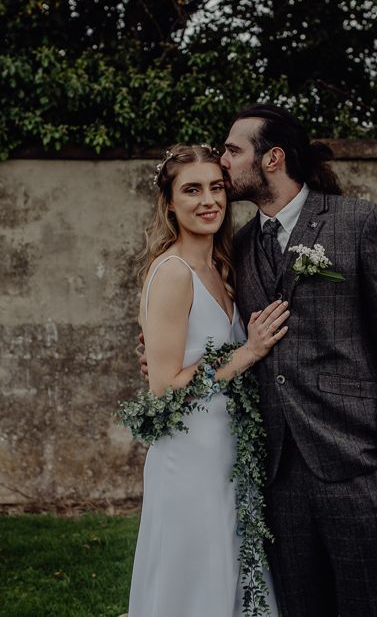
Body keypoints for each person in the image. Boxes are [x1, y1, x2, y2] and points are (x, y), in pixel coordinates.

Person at [221, 104, 377, 616]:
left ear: (272, 158)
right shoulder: (239, 246)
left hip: (358, 467)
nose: (222, 161)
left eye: (232, 150)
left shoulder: (360, 223)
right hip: (281, 478)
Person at [128, 143, 287, 616]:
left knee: (232, 571)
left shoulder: (221, 267)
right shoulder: (174, 273)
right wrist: (249, 351)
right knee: (194, 578)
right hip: (190, 456)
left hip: (226, 449)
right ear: (170, 203)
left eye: (216, 187)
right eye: (192, 190)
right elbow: (164, 389)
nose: (209, 201)